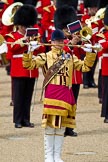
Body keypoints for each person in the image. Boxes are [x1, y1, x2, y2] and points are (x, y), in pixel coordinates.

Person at [23, 28, 96, 162]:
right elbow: (29, 65)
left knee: (61, 127)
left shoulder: (69, 56)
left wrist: (90, 53)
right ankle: (48, 157)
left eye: (61, 40)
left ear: (64, 41)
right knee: (50, 127)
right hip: (52, 94)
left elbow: (85, 67)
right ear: (51, 41)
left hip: (65, 93)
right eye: (56, 40)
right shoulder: (46, 56)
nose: (59, 43)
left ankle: (57, 156)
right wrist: (29, 51)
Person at [5, 4, 44, 128]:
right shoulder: (12, 36)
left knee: (28, 96)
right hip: (19, 70)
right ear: (20, 25)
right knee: (18, 97)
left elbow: (42, 49)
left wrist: (35, 44)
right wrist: (24, 40)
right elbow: (12, 49)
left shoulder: (34, 36)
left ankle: (26, 119)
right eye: (25, 26)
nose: (27, 28)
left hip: (31, 70)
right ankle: (17, 120)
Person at [54, 2, 81, 137]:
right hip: (64, 75)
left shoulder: (75, 37)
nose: (67, 31)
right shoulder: (57, 39)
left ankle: (69, 127)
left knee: (73, 102)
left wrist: (80, 42)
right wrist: (71, 44)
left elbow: (82, 54)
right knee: (63, 102)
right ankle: (61, 126)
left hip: (76, 75)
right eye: (65, 28)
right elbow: (58, 53)